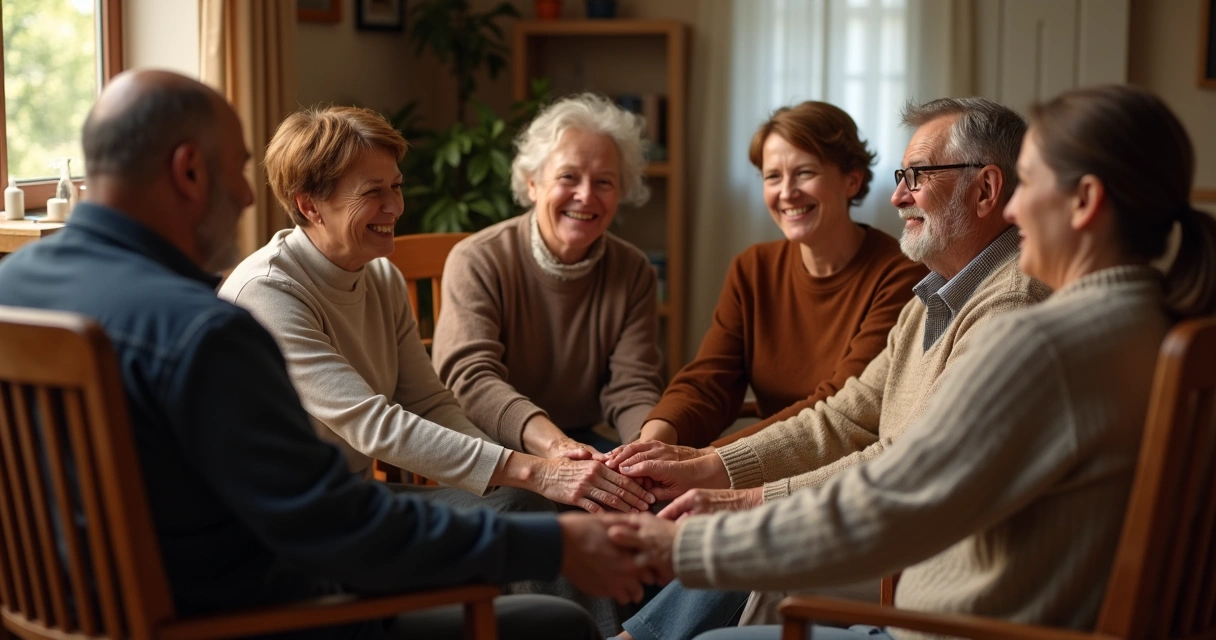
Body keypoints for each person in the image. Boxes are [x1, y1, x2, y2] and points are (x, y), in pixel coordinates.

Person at [0, 69, 641, 640]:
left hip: (76, 612)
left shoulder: (13, 289)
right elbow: (335, 525)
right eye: (238, 171)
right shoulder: (206, 331)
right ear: (189, 171)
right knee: (554, 623)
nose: (251, 197)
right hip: (249, 616)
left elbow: (398, 427)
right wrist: (544, 541)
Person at [609, 84, 1216, 640]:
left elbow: (896, 499)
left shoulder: (1039, 336)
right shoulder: (1149, 321)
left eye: (1026, 184)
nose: (1016, 209)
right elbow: (849, 418)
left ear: (1080, 201)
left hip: (944, 620)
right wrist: (714, 466)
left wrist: (697, 538)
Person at [218, 105, 653, 516]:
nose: (396, 207)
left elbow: (428, 402)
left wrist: (520, 479)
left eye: (396, 186)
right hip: (285, 515)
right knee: (527, 507)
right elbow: (375, 425)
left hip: (354, 494)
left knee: (525, 507)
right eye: (374, 192)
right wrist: (535, 471)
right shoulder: (268, 293)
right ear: (309, 204)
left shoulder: (380, 277)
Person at [633, 101, 926, 449]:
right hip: (754, 464)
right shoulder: (752, 268)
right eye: (773, 176)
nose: (787, 192)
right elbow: (708, 382)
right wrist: (649, 444)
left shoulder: (901, 272)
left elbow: (839, 408)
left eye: (804, 173)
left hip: (843, 472)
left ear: (852, 180)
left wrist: (703, 462)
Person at [431, 93, 664, 458]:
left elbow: (633, 386)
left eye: (604, 182)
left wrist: (645, 451)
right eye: (568, 177)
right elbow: (471, 380)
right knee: (526, 507)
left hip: (582, 443)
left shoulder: (633, 270)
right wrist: (556, 447)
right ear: (532, 183)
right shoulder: (478, 259)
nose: (586, 196)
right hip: (487, 447)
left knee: (663, 501)